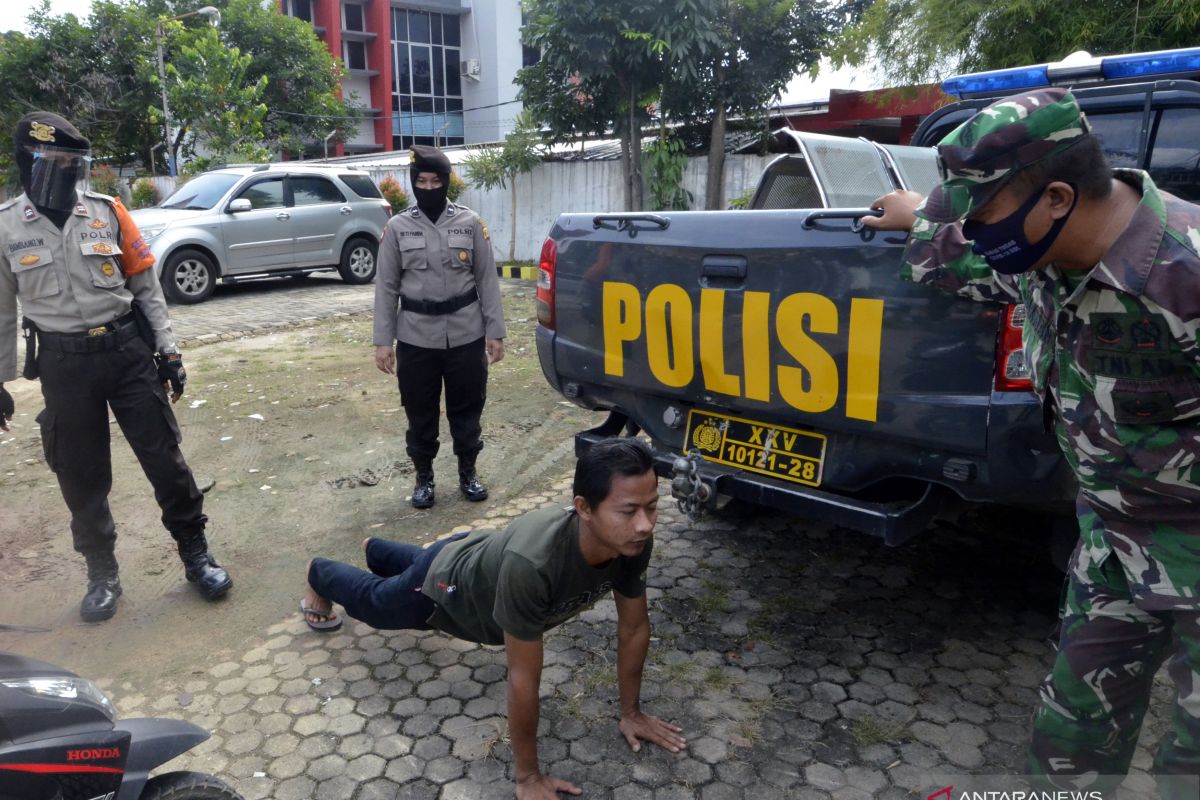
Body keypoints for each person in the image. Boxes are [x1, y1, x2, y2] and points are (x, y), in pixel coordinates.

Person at [864, 88, 1200, 796]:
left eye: (981, 217)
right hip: (1113, 545)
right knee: (1068, 744)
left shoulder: (1187, 272)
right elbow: (945, 255)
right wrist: (917, 214)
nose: (975, 234)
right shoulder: (1038, 251)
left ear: (1055, 196)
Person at [300, 437, 687, 798]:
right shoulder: (534, 564)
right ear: (584, 508)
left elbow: (634, 627)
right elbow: (522, 677)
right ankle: (320, 573)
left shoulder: (632, 542)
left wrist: (632, 713)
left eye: (652, 507)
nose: (645, 524)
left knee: (416, 570)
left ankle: (378, 550)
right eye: (629, 511)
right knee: (377, 605)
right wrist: (528, 778)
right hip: (448, 586)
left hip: (476, 555)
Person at [0, 111, 231, 623]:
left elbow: (146, 287)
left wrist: (168, 351)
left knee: (164, 458)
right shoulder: (6, 227)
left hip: (127, 354)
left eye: (71, 162)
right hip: (63, 365)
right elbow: (1, 310)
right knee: (80, 475)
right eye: (54, 161)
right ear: (29, 161)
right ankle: (102, 572)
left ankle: (196, 554)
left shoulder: (108, 213)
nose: (65, 170)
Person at [373, 144, 506, 509]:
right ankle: (424, 478)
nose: (428, 187)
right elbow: (385, 287)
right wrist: (383, 341)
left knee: (468, 409)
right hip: (416, 337)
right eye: (421, 181)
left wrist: (495, 332)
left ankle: (468, 472)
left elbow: (487, 281)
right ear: (413, 183)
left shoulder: (470, 223)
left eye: (435, 181)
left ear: (446, 182)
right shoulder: (397, 228)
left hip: (466, 334)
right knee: (420, 412)